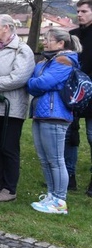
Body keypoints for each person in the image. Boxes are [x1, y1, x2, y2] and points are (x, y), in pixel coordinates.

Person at [0, 14, 35, 203]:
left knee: (9, 148)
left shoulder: (22, 50)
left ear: (7, 27)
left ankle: (10, 189)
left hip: (11, 108)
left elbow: (19, 77)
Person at [27, 28, 80, 214]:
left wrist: (36, 82)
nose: (44, 42)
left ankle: (60, 201)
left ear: (61, 44)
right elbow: (35, 83)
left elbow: (39, 83)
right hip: (42, 113)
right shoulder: (48, 61)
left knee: (56, 160)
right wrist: (36, 82)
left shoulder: (64, 61)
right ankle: (52, 195)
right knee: (45, 159)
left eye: (48, 39)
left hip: (55, 114)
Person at [66, 0, 92, 196]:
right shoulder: (72, 35)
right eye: (78, 11)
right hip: (72, 93)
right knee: (69, 135)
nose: (79, 14)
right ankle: (69, 177)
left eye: (84, 11)